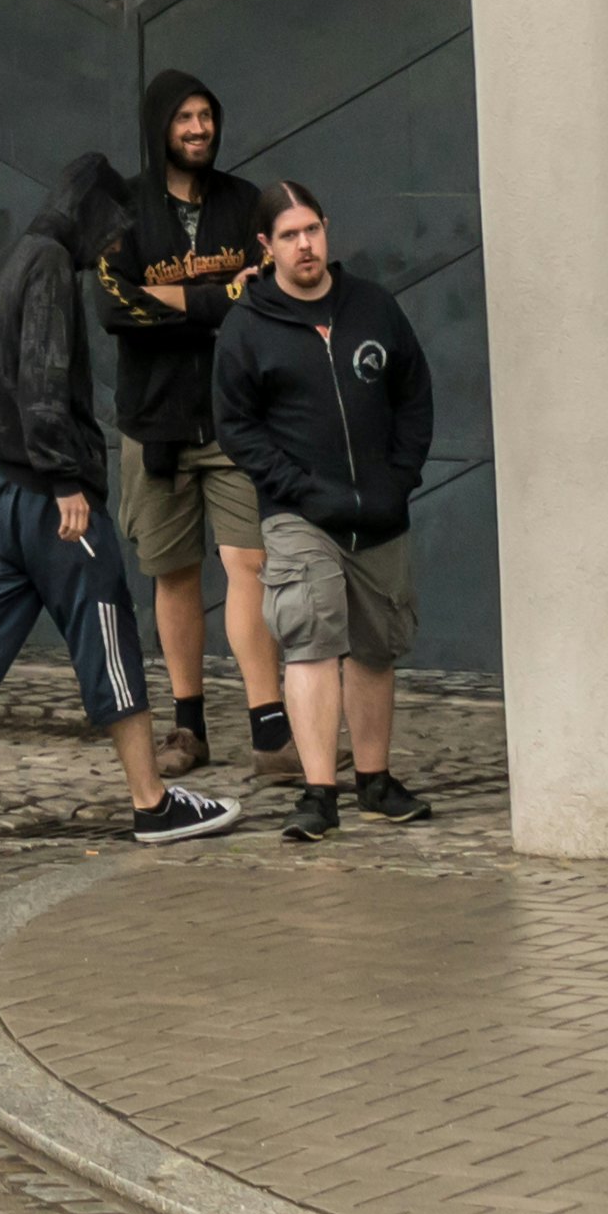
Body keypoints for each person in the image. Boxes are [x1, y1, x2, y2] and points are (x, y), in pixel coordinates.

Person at [0, 158, 233, 848]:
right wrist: (66, 479)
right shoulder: (47, 269)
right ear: (92, 213)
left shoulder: (8, 259)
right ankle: (152, 802)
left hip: (6, 489)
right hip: (49, 494)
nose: (114, 248)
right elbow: (41, 375)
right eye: (114, 231)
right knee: (107, 630)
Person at [207, 179, 439, 840]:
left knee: (376, 647)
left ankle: (374, 780)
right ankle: (318, 792)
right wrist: (295, 488)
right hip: (299, 513)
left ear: (325, 230)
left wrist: (401, 477)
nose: (304, 245)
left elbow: (413, 393)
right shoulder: (247, 327)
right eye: (288, 235)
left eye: (311, 230)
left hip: (379, 509)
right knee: (309, 640)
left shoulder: (373, 307)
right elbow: (237, 426)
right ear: (265, 246)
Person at [88, 67, 282, 776]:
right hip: (155, 422)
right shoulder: (124, 211)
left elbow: (264, 299)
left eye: (205, 116)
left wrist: (171, 299)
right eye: (183, 119)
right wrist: (216, 300)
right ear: (159, 128)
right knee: (173, 575)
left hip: (237, 419)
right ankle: (188, 728)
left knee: (249, 565)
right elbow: (114, 308)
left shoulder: (244, 203)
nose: (197, 128)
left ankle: (270, 733)